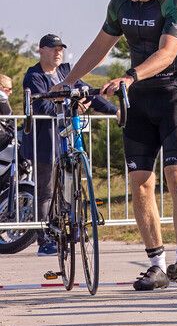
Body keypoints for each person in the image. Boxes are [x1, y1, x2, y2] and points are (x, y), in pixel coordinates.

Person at [56, 0, 177, 291]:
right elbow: (99, 47)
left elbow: (167, 53)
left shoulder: (175, 2)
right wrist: (68, 82)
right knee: (139, 185)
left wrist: (130, 75)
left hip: (174, 95)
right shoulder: (120, 3)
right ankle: (157, 265)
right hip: (138, 99)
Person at [21, 34, 118, 256]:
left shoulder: (66, 72)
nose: (58, 52)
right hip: (44, 144)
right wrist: (69, 106)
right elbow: (41, 108)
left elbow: (89, 95)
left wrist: (115, 111)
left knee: (69, 188)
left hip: (66, 143)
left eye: (61, 49)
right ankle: (44, 239)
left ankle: (70, 229)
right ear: (41, 50)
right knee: (45, 192)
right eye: (53, 48)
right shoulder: (33, 76)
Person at [0, 75, 14, 152]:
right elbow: (9, 118)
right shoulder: (2, 97)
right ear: (1, 87)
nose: (11, 92)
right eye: (9, 89)